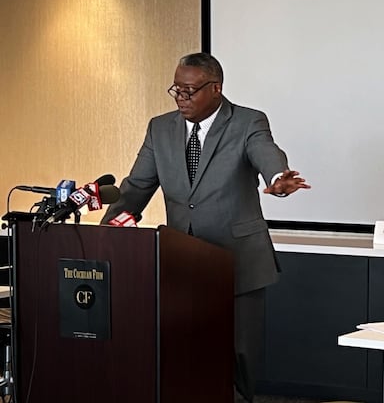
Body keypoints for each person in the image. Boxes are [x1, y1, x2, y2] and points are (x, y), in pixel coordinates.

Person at [101, 53, 310, 403]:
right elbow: (136, 186)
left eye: (190, 90)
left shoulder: (247, 122)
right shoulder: (160, 128)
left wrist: (277, 177)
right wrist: (105, 232)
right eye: (176, 89)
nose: (181, 97)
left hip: (238, 260)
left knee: (238, 355)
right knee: (184, 352)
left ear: (216, 89)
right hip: (180, 262)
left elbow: (266, 152)